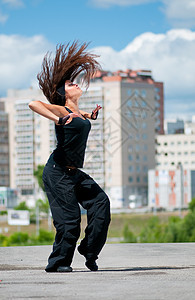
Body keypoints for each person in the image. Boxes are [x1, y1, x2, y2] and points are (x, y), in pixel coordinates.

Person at [29, 41, 111, 273]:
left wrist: (89, 116)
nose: (74, 83)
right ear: (62, 93)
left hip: (74, 173)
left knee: (100, 203)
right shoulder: (62, 110)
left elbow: (79, 116)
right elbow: (33, 103)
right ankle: (58, 263)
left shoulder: (77, 113)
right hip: (57, 172)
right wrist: (57, 119)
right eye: (69, 83)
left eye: (73, 81)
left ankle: (89, 250)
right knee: (70, 220)